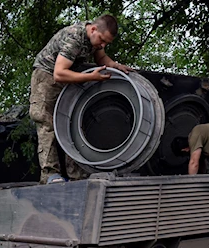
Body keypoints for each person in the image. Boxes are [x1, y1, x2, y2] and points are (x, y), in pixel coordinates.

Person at [29, 14, 133, 184]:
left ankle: (76, 174)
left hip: (68, 78)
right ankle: (50, 174)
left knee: (72, 123)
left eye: (107, 43)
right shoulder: (74, 38)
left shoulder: (95, 39)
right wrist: (90, 77)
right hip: (46, 77)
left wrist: (116, 66)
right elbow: (59, 73)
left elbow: (101, 58)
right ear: (93, 29)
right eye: (102, 40)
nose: (103, 45)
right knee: (47, 123)